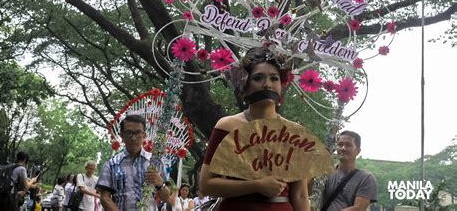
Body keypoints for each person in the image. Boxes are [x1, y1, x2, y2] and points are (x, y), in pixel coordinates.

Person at [199, 47, 310, 210]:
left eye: (274, 78)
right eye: (258, 78)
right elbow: (206, 185)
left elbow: (300, 194)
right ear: (245, 83)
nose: (267, 84)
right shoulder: (227, 126)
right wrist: (256, 185)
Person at [96, 115, 172, 210]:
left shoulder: (155, 162)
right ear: (122, 135)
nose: (133, 137)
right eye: (129, 132)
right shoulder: (111, 164)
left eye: (137, 132)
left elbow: (166, 198)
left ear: (144, 135)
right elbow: (105, 197)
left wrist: (160, 184)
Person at [320, 131, 377, 211]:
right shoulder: (325, 173)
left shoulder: (366, 178)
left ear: (358, 151)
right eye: (340, 144)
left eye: (348, 145)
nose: (343, 148)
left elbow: (358, 208)